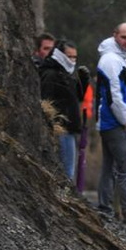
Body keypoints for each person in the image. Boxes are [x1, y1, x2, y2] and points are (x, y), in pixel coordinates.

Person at [95, 22, 126, 228]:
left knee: (110, 167)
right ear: (114, 35)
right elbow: (115, 96)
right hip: (115, 123)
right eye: (123, 37)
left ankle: (106, 209)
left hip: (110, 122)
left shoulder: (117, 58)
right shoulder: (112, 60)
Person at [39, 39, 83, 180]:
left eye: (74, 57)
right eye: (69, 56)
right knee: (67, 171)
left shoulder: (68, 73)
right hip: (61, 128)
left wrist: (84, 82)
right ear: (61, 55)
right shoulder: (51, 74)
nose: (72, 60)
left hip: (69, 127)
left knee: (69, 168)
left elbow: (76, 98)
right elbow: (46, 101)